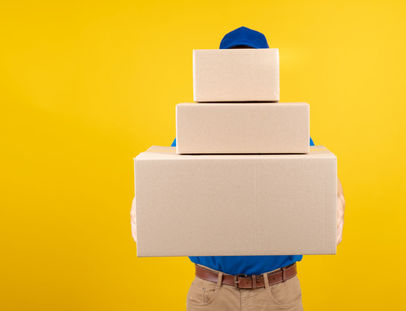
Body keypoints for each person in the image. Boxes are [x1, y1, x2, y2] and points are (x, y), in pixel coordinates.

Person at [130, 27, 346, 311]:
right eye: (234, 65)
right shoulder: (193, 130)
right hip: (212, 292)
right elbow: (156, 198)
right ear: (217, 71)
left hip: (278, 291)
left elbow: (327, 200)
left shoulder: (289, 128)